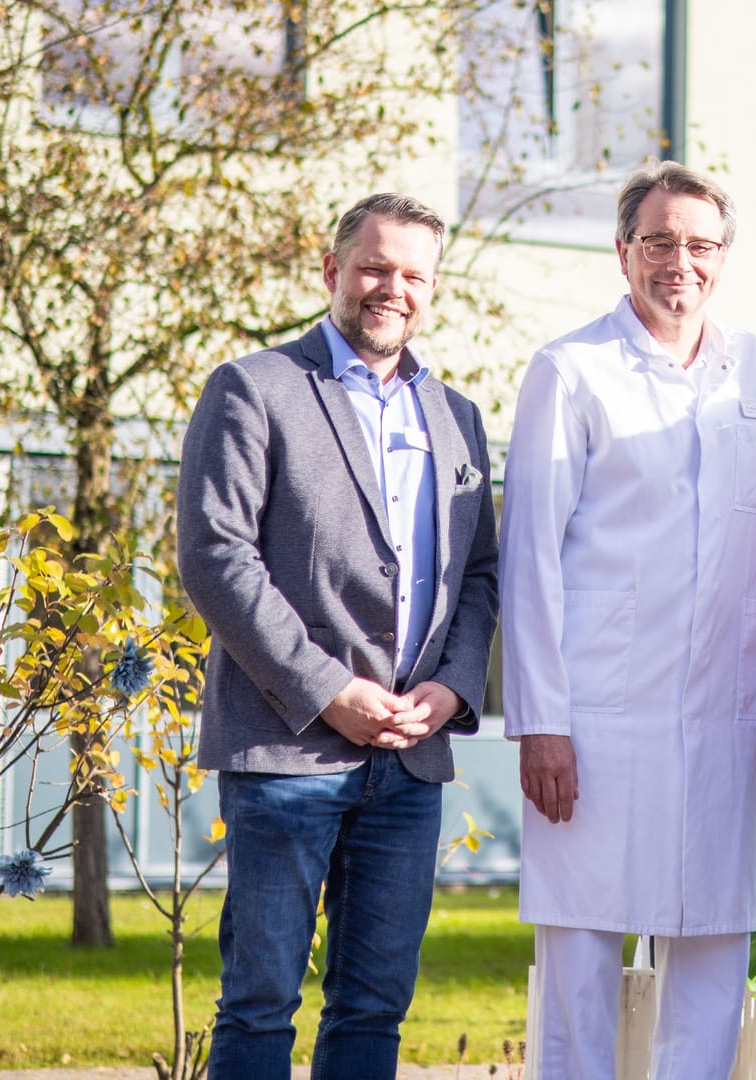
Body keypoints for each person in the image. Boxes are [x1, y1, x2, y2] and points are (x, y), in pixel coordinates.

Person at [498, 162, 756, 1076]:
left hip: (721, 712)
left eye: (701, 244)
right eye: (660, 241)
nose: (681, 260)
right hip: (593, 715)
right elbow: (529, 556)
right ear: (623, 252)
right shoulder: (570, 370)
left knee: (714, 946)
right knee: (582, 958)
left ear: (724, 256)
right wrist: (540, 720)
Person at [176, 192, 500, 1073]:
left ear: (433, 290)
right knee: (258, 1006)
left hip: (410, 761)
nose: (391, 288)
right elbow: (215, 557)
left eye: (413, 275)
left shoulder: (459, 419)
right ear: (332, 272)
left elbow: (477, 574)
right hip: (287, 755)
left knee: (372, 1013)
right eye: (374, 267)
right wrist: (328, 689)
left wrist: (455, 688)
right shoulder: (253, 389)